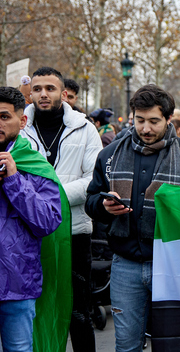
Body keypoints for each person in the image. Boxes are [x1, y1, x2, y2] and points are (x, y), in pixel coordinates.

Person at [85, 84, 180, 351]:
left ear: (169, 120)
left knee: (173, 344)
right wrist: (103, 206)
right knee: (126, 345)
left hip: (174, 266)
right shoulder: (109, 155)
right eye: (140, 121)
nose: (145, 129)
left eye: (154, 121)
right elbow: (91, 201)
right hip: (125, 265)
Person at [21, 66, 103, 352]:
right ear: (30, 93)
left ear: (63, 93)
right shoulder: (18, 128)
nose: (43, 94)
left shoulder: (86, 128)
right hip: (29, 237)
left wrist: (48, 200)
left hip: (75, 233)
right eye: (37, 89)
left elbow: (93, 179)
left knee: (78, 314)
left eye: (50, 88)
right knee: (32, 311)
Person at [0, 86, 63, 352]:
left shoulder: (36, 165)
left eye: (4, 117)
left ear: (22, 121)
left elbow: (48, 221)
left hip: (17, 284)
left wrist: (14, 180)